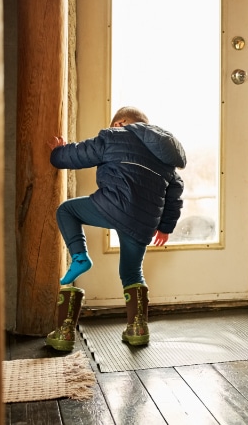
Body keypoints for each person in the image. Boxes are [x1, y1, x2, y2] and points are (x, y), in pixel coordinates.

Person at [44, 106, 186, 351]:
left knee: (66, 210)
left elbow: (79, 155)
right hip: (143, 222)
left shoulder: (113, 135)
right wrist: (165, 227)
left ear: (120, 122)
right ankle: (138, 329)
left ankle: (79, 258)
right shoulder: (166, 156)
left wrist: (58, 153)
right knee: (132, 273)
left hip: (112, 207)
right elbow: (175, 194)